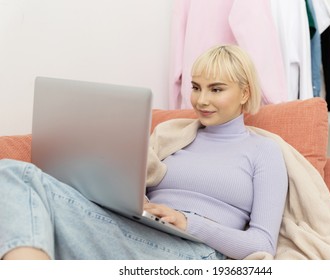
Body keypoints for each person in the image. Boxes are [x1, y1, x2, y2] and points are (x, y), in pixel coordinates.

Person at [0, 45, 288, 260]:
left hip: (196, 252)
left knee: (21, 180)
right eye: (196, 87)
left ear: (245, 93)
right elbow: (135, 186)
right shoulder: (173, 135)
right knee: (12, 172)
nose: (202, 100)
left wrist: (189, 223)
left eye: (216, 89)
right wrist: (134, 201)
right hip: (140, 231)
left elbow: (261, 243)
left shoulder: (263, 151)